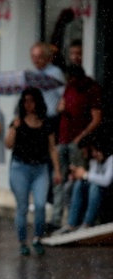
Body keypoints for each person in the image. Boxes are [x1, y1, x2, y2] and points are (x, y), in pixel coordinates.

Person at [5, 88, 61, 256]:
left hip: (40, 169)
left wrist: (57, 170)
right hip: (20, 168)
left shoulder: (46, 123)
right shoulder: (17, 121)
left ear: (38, 102)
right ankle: (22, 241)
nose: (28, 104)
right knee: (22, 207)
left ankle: (37, 238)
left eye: (31, 100)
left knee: (40, 205)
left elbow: (52, 148)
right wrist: (14, 128)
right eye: (25, 101)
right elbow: (8, 145)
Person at [51, 64, 102, 230]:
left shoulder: (91, 89)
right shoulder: (69, 88)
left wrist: (81, 138)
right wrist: (60, 109)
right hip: (63, 138)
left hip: (78, 142)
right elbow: (61, 107)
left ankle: (76, 219)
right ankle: (58, 218)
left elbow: (96, 118)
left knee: (77, 181)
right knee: (60, 180)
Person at [57, 137, 113, 233]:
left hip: (107, 192)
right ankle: (71, 223)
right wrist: (78, 175)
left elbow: (106, 180)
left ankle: (87, 223)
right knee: (78, 184)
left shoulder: (111, 159)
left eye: (97, 151)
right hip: (94, 193)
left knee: (95, 186)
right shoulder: (94, 161)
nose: (95, 154)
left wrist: (85, 174)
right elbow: (90, 178)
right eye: (93, 151)